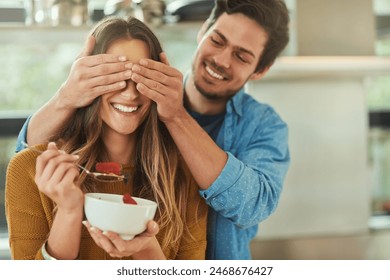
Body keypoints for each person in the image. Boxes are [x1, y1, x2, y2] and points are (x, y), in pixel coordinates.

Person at [16, 0, 290, 259]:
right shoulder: (147, 97)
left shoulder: (263, 126)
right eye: (217, 40)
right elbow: (28, 160)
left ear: (260, 70)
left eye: (242, 56)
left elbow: (252, 205)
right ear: (203, 30)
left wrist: (176, 116)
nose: (222, 60)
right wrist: (66, 97)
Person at [6, 16, 207, 260]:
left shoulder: (183, 175)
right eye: (115, 76)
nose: (131, 93)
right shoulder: (30, 169)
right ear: (89, 78)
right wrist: (69, 212)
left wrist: (145, 249)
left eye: (142, 78)